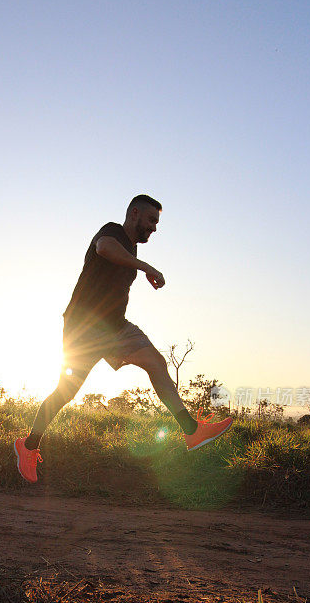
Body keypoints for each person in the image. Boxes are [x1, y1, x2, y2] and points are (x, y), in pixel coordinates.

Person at [14, 195, 233, 483]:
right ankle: (28, 445)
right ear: (134, 213)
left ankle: (191, 430)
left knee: (156, 362)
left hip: (116, 327)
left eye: (157, 223)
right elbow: (104, 248)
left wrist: (137, 266)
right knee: (65, 392)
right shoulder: (112, 232)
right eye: (151, 220)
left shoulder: (128, 252)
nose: (154, 228)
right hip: (85, 326)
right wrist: (147, 267)